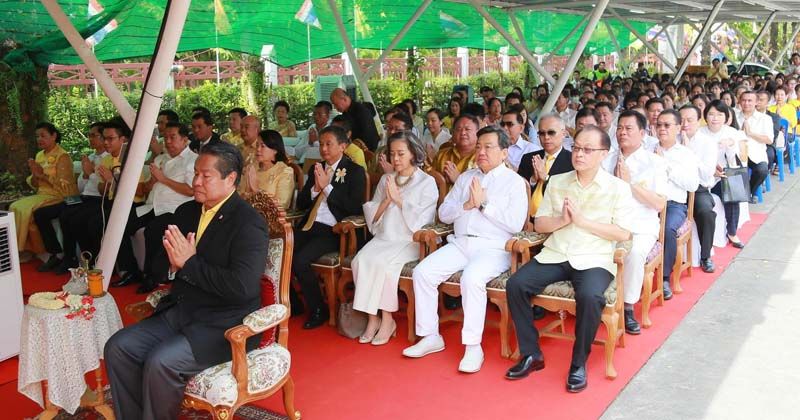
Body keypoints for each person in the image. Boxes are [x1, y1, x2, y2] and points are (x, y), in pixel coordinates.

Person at [104, 141, 269, 420]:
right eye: (195, 173)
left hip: (223, 323)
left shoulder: (248, 223)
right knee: (118, 347)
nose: (196, 182)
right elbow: (158, 267)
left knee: (161, 362)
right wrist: (172, 265)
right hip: (180, 312)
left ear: (230, 178)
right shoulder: (186, 212)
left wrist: (189, 263)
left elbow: (242, 287)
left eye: (206, 176)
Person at [504, 126, 634, 392]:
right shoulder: (558, 181)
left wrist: (583, 222)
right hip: (557, 252)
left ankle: (578, 363)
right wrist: (562, 220)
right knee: (516, 284)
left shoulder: (618, 188)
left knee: (590, 296)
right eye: (576, 148)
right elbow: (540, 224)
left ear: (603, 154)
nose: (579, 154)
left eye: (587, 149)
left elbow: (623, 232)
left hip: (594, 257)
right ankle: (531, 354)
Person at [402, 126, 527, 374]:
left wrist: (483, 205)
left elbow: (515, 224)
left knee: (471, 278)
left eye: (488, 147)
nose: (481, 152)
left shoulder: (514, 182)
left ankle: (472, 346)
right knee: (423, 272)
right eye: (479, 147)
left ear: (504, 153)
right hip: (460, 244)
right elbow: (443, 213)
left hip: (494, 248)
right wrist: (467, 205)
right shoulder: (465, 178)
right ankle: (430, 336)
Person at [353, 132, 438, 346]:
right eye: (392, 154)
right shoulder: (386, 179)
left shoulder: (427, 182)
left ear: (413, 154)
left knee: (384, 265)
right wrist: (387, 200)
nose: (396, 159)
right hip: (385, 237)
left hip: (409, 240)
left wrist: (399, 200)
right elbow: (373, 216)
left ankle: (387, 319)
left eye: (401, 153)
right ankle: (373, 318)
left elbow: (422, 222)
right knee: (360, 260)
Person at [293, 126, 367, 329]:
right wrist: (315, 189)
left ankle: (319, 309)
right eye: (321, 144)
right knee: (281, 252)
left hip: (334, 230)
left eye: (329, 144)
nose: (323, 149)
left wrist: (327, 187)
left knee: (300, 260)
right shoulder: (315, 168)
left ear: (342, 146)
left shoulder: (354, 171)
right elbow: (301, 204)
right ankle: (295, 303)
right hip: (309, 225)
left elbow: (353, 208)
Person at [603, 110, 667, 332]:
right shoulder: (606, 159)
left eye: (628, 128)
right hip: (609, 223)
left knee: (635, 252)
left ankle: (627, 306)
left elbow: (659, 203)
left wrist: (629, 183)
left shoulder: (655, 162)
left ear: (642, 133)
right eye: (620, 128)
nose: (622, 132)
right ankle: (599, 299)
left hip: (641, 226)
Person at [126, 122, 198, 293]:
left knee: (153, 230)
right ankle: (129, 270)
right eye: (165, 138)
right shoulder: (160, 159)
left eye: (173, 137)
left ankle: (152, 276)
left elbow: (191, 190)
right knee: (121, 224)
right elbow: (147, 188)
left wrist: (163, 178)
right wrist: (151, 180)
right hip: (151, 206)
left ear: (185, 140)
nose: (168, 141)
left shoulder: (192, 160)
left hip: (174, 208)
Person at [34, 123, 106, 273]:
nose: (90, 138)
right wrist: (85, 175)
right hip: (81, 197)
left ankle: (76, 258)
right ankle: (60, 255)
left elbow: (104, 189)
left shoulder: (108, 159)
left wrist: (91, 173)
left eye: (94, 135)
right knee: (45, 213)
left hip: (96, 198)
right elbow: (80, 186)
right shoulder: (90, 157)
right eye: (89, 135)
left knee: (68, 216)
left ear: (104, 137)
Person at [11, 123, 78, 261]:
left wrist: (42, 175)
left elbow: (65, 186)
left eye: (43, 136)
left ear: (54, 136)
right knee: (14, 206)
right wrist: (35, 175)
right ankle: (27, 249)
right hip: (42, 194)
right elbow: (35, 184)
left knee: (27, 210)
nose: (39, 139)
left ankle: (31, 250)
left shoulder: (62, 156)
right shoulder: (39, 155)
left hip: (60, 196)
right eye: (37, 136)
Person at [653, 110, 700, 299]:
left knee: (666, 229)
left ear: (679, 128)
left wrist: (665, 164)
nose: (662, 129)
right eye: (659, 125)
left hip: (673, 205)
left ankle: (664, 278)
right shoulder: (647, 149)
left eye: (667, 125)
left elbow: (692, 185)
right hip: (648, 202)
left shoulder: (686, 154)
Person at [700, 100, 748, 247]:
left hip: (724, 175)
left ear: (726, 117)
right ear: (705, 116)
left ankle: (732, 232)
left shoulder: (732, 133)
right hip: (704, 175)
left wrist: (731, 146)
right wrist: (710, 170)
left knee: (732, 189)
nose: (715, 118)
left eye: (719, 114)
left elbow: (738, 161)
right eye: (711, 114)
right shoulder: (700, 133)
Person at [680, 104, 719, 273]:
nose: (685, 124)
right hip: (675, 188)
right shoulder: (671, 139)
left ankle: (705, 256)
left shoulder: (707, 143)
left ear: (698, 121)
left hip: (698, 188)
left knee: (706, 212)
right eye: (681, 120)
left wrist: (689, 153)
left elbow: (706, 174)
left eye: (689, 120)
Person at [518, 114, 574, 220]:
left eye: (551, 132)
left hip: (555, 220)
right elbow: (517, 191)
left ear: (563, 134)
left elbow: (568, 196)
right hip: (525, 218)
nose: (546, 137)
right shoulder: (528, 158)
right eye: (542, 133)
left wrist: (546, 178)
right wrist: (533, 180)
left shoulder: (572, 161)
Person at [238, 129, 295, 210]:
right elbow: (239, 193)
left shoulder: (284, 172)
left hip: (268, 216)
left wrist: (256, 190)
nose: (258, 149)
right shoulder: (252, 167)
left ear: (275, 150)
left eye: (262, 146)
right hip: (246, 212)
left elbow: (282, 204)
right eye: (257, 145)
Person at [735, 91, 773, 204]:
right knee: (732, 170)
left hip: (756, 153)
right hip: (737, 152)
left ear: (756, 102)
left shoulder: (765, 118)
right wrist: (740, 132)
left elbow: (769, 139)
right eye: (744, 100)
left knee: (762, 170)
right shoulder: (734, 116)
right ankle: (736, 195)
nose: (746, 103)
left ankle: (749, 192)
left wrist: (750, 133)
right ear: (739, 101)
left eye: (750, 101)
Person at [432, 114, 480, 188]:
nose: (463, 133)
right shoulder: (441, 155)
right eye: (458, 129)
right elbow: (430, 182)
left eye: (467, 129)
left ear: (477, 133)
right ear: (453, 133)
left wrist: (458, 180)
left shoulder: (482, 157)